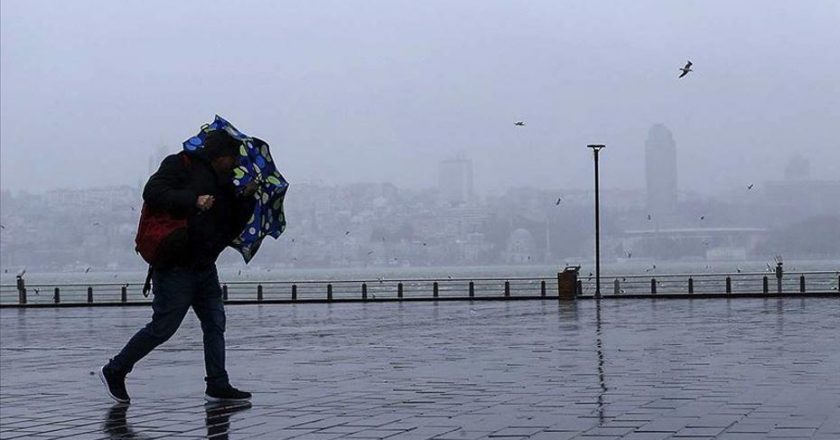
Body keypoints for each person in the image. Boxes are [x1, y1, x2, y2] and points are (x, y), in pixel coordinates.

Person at [100, 130, 257, 403]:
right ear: (220, 156)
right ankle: (116, 369)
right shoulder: (179, 164)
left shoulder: (226, 183)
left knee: (215, 323)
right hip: (175, 265)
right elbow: (152, 192)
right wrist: (193, 200)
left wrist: (246, 198)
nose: (235, 165)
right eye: (232, 158)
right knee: (163, 327)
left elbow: (230, 226)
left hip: (205, 265)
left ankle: (217, 384)